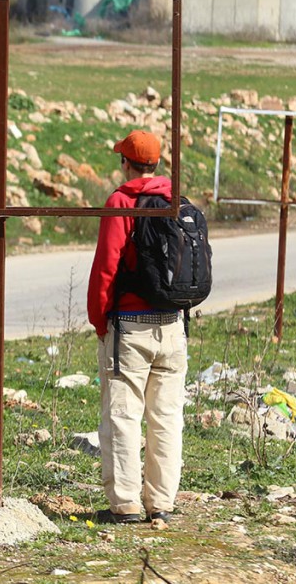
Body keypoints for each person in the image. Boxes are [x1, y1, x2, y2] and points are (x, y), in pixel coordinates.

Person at [87, 129, 186, 526]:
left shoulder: (121, 201)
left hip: (129, 327)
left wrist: (99, 320)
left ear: (126, 163)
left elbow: (106, 268)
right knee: (166, 418)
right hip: (173, 325)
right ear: (157, 163)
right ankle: (161, 503)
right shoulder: (174, 199)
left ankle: (125, 504)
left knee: (123, 415)